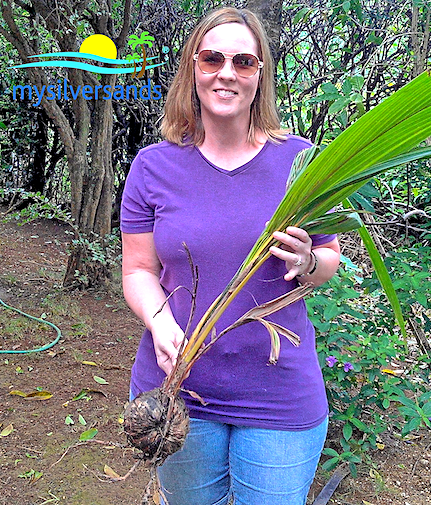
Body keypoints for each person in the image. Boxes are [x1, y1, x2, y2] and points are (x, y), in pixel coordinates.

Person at [120, 7, 341, 505]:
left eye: (243, 61)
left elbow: (330, 260)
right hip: (178, 392)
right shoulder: (153, 167)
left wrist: (307, 263)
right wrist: (158, 322)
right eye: (212, 58)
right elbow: (137, 270)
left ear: (260, 76)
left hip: (278, 393)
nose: (226, 72)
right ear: (193, 68)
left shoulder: (300, 161)